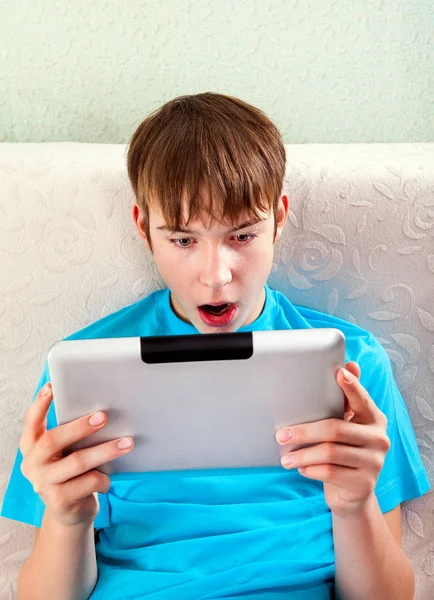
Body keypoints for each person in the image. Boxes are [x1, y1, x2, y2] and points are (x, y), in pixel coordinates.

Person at [0, 92, 430, 600]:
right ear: (144, 229)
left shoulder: (353, 364)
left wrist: (355, 503)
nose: (216, 276)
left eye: (243, 236)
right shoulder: (82, 369)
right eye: (183, 241)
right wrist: (67, 518)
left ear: (279, 219)